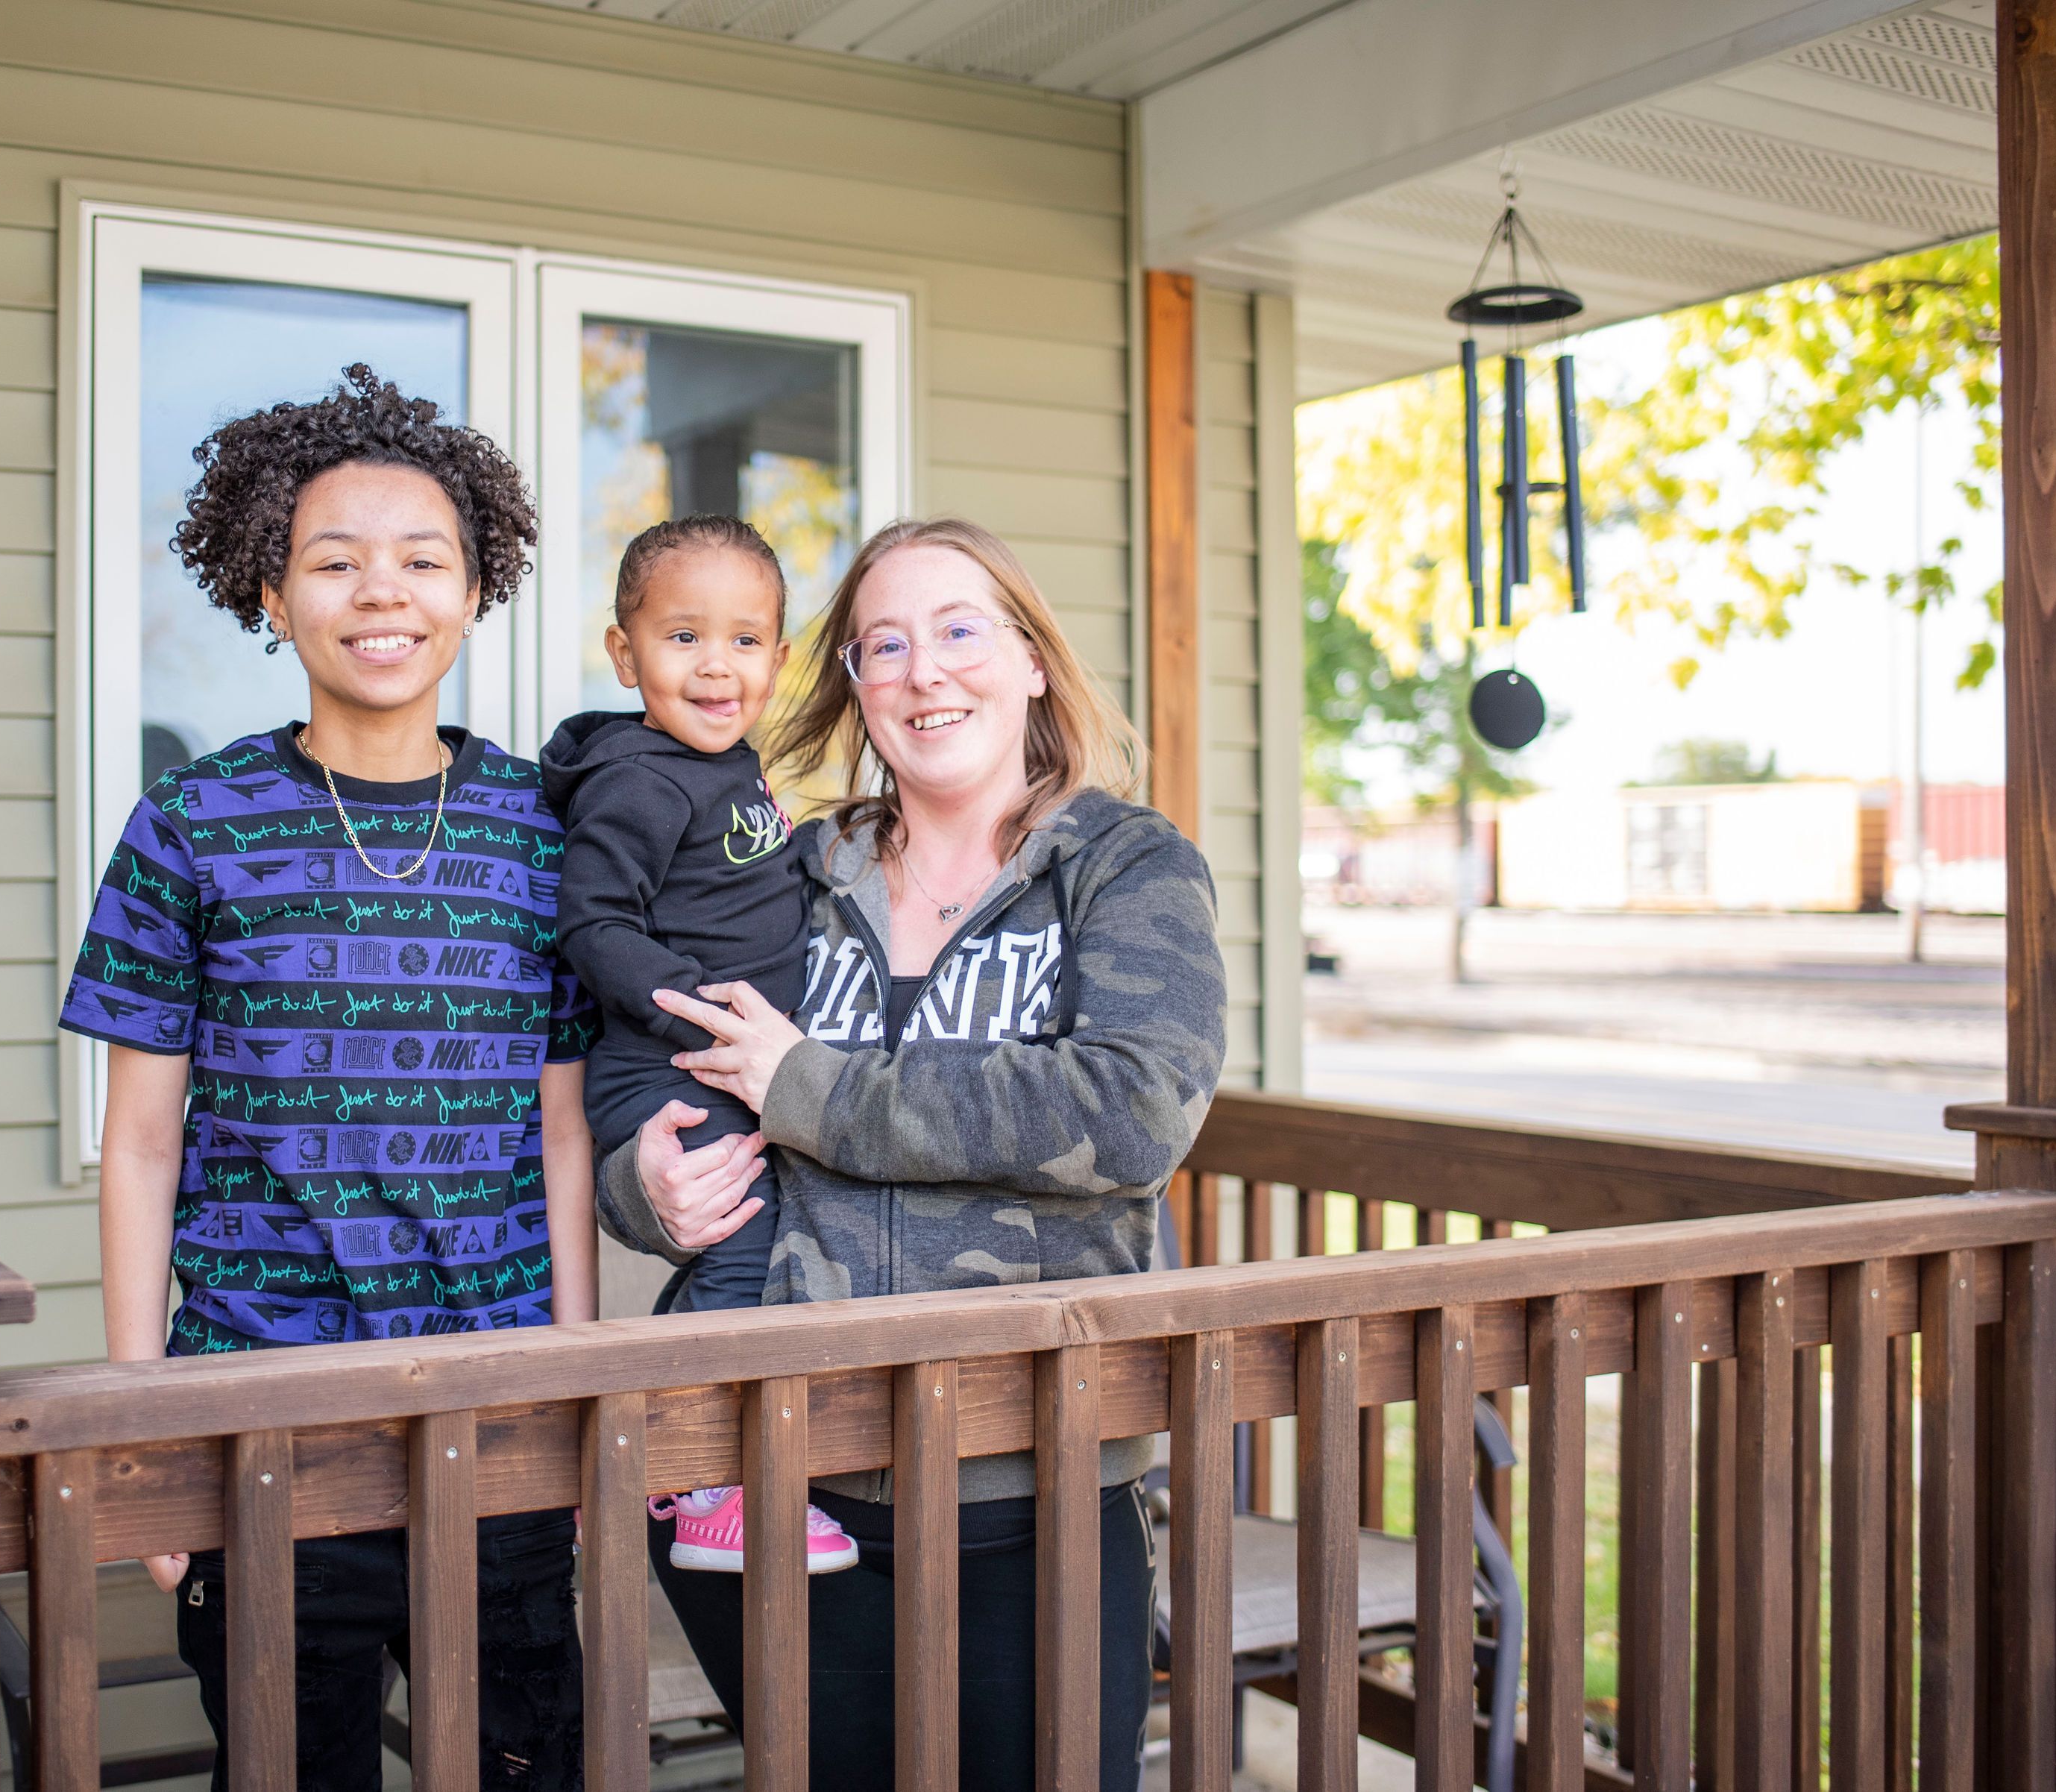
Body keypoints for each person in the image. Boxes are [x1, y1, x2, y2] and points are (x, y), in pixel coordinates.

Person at [592, 515, 1228, 1791]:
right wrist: (646, 1186)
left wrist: (814, 1090)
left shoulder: (1123, 865)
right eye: (883, 646)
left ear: (1033, 659)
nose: (923, 671)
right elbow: (659, 1059)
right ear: (852, 689)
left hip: (1032, 1484)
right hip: (773, 1482)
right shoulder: (787, 862)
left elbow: (1131, 1111)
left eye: (957, 631)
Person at [59, 365, 598, 1792]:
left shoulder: (538, 829)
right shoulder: (193, 819)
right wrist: (141, 1421)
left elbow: (560, 1133)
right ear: (272, 593)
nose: (384, 592)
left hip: (499, 1424)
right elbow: (140, 1147)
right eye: (335, 560)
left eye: (425, 559)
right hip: (259, 1428)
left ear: (477, 591)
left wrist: (583, 1387)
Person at [539, 514, 858, 1576]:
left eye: (747, 639)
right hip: (671, 1065)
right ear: (625, 653)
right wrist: (697, 1013)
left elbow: (741, 881)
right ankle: (716, 1487)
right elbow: (594, 925)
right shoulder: (641, 778)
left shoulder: (722, 762)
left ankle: (663, 1443)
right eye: (683, 639)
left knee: (751, 1248)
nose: (718, 666)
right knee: (752, 1235)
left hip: (718, 1055)